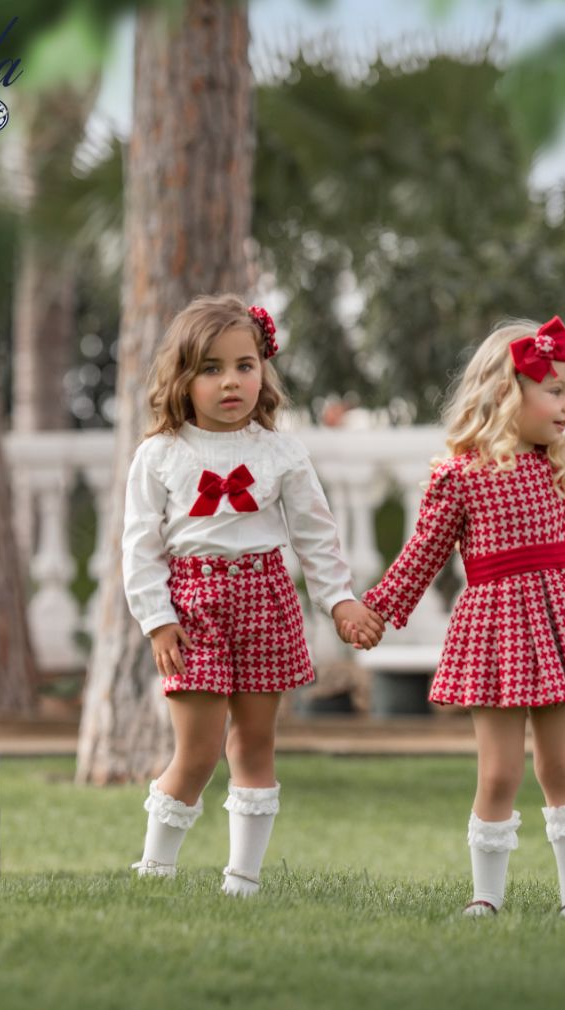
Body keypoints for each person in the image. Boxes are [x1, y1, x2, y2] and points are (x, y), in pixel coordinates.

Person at [350, 315, 565, 921]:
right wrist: (376, 610)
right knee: (499, 773)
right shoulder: (459, 477)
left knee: (561, 765)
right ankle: (485, 896)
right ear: (507, 393)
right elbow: (423, 554)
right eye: (555, 391)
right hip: (498, 631)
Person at [122, 293, 383, 894]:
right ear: (182, 379)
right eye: (211, 369)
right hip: (194, 609)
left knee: (256, 743)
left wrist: (339, 599)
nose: (231, 381)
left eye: (244, 365)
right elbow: (140, 546)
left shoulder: (281, 453)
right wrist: (158, 619)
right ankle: (155, 870)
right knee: (199, 749)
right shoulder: (160, 454)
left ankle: (243, 877)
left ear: (263, 371)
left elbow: (316, 535)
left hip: (266, 602)